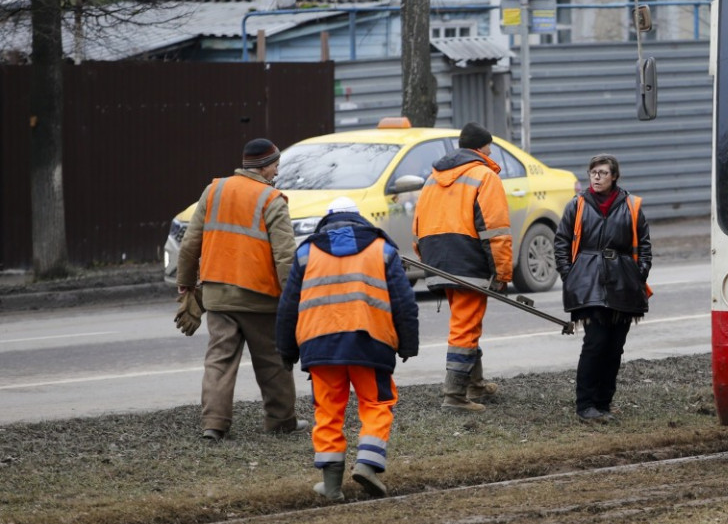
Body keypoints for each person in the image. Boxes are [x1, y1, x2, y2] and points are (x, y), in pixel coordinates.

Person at [276, 197, 420, 500]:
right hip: (371, 343)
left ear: (326, 221)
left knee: (327, 411)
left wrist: (287, 350)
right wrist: (408, 344)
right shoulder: (382, 249)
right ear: (361, 220)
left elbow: (288, 306)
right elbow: (404, 302)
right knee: (376, 405)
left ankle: (330, 486)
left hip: (320, 346)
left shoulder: (306, 252)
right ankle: (367, 465)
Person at [176, 138, 306, 441]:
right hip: (260, 297)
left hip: (218, 295)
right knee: (273, 360)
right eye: (275, 164)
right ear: (264, 167)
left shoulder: (214, 191)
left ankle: (214, 425)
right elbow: (285, 256)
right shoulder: (272, 199)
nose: (276, 171)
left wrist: (185, 284)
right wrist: (291, 299)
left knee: (219, 360)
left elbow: (190, 243)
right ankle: (280, 420)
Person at [413, 122, 512, 412]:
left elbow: (417, 226)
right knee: (465, 327)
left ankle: (475, 384)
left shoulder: (432, 179)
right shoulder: (484, 176)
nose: (491, 152)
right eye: (490, 147)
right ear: (482, 148)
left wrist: (427, 260)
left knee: (465, 321)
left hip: (438, 260)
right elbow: (495, 231)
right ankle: (454, 396)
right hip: (469, 258)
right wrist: (503, 273)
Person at [553, 154, 651, 423]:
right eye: (593, 172)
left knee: (615, 346)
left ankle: (604, 403)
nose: (597, 177)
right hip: (588, 284)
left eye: (603, 173)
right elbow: (561, 242)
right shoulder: (577, 205)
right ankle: (585, 405)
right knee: (595, 344)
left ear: (614, 176)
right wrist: (569, 274)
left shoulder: (631, 205)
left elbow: (644, 245)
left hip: (624, 284)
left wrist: (638, 273)